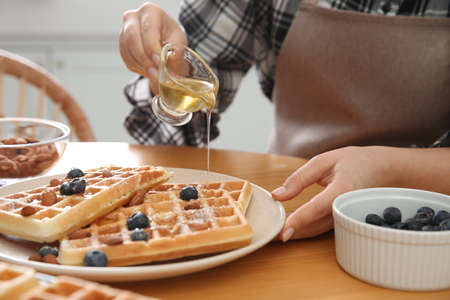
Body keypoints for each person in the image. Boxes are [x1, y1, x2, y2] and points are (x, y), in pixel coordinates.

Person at [119, 0, 450, 241]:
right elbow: (191, 82)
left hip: (429, 231)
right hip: (290, 206)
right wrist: (161, 65)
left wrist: (386, 168)